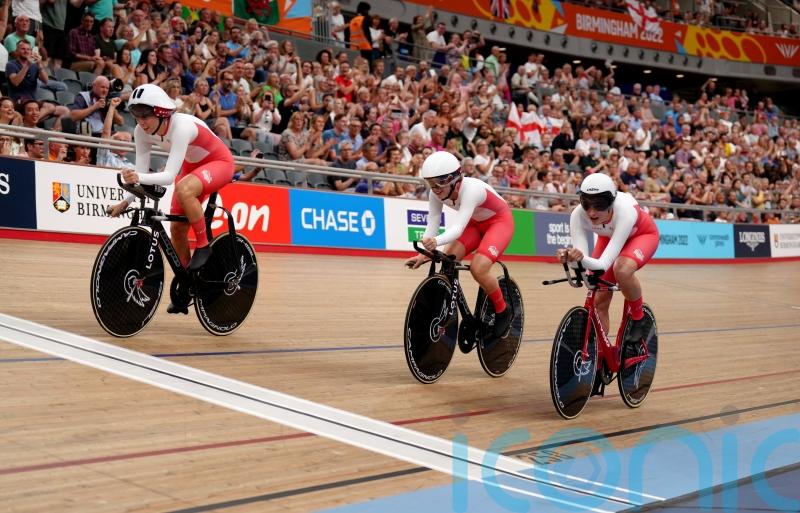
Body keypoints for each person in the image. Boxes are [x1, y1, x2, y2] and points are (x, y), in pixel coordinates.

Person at [107, 84, 235, 314]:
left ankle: (203, 246)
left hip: (219, 163)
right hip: (192, 166)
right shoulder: (140, 132)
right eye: (136, 115)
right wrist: (125, 202)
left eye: (145, 115)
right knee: (176, 229)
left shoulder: (181, 126)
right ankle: (187, 283)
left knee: (184, 188)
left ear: (161, 112)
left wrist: (138, 177)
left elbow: (167, 176)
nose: (140, 121)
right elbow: (139, 174)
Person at [405, 151, 515, 345]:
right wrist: (425, 254)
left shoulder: (471, 190)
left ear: (453, 179)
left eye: (438, 184)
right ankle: (452, 311)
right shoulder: (435, 193)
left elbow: (457, 228)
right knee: (448, 259)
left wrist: (436, 242)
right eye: (430, 183)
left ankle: (502, 310)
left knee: (478, 268)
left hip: (499, 222)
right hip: (475, 223)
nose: (434, 189)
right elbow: (433, 221)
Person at [556, 172, 660, 350]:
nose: (592, 212)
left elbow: (603, 264)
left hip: (641, 236)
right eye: (586, 204)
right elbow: (582, 262)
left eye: (599, 206)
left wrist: (580, 259)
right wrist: (570, 258)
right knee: (599, 298)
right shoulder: (577, 215)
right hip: (609, 237)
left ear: (611, 202)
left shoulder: (625, 211)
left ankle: (638, 318)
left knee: (622, 269)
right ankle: (598, 353)